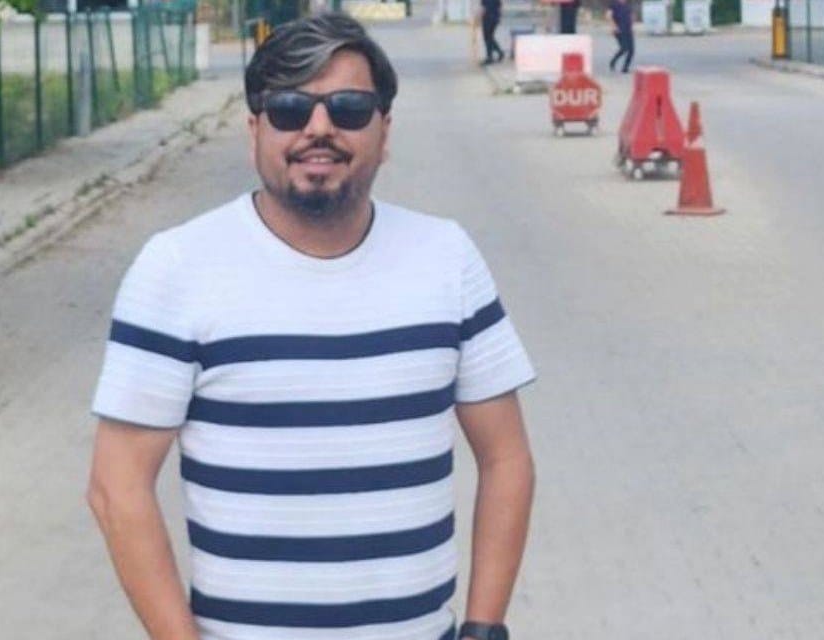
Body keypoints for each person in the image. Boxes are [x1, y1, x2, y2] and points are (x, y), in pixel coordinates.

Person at [86, 12, 537, 640]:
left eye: (348, 108)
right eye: (290, 108)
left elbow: (507, 457)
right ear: (254, 130)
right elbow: (117, 486)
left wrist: (484, 628)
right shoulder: (178, 268)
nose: (318, 128)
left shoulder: (447, 258)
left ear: (384, 130)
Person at [608, 0, 635, 73]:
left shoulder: (628, 4)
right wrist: (614, 26)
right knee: (624, 48)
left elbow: (631, 15)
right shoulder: (614, 4)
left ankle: (625, 68)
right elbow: (609, 16)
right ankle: (613, 61)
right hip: (619, 29)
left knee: (631, 50)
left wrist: (632, 25)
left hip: (628, 29)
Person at [481, 0, 505, 65]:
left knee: (487, 38)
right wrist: (499, 17)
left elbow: (483, 9)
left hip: (487, 18)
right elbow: (500, 6)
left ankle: (490, 58)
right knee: (490, 37)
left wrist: (477, 17)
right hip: (495, 18)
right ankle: (500, 52)